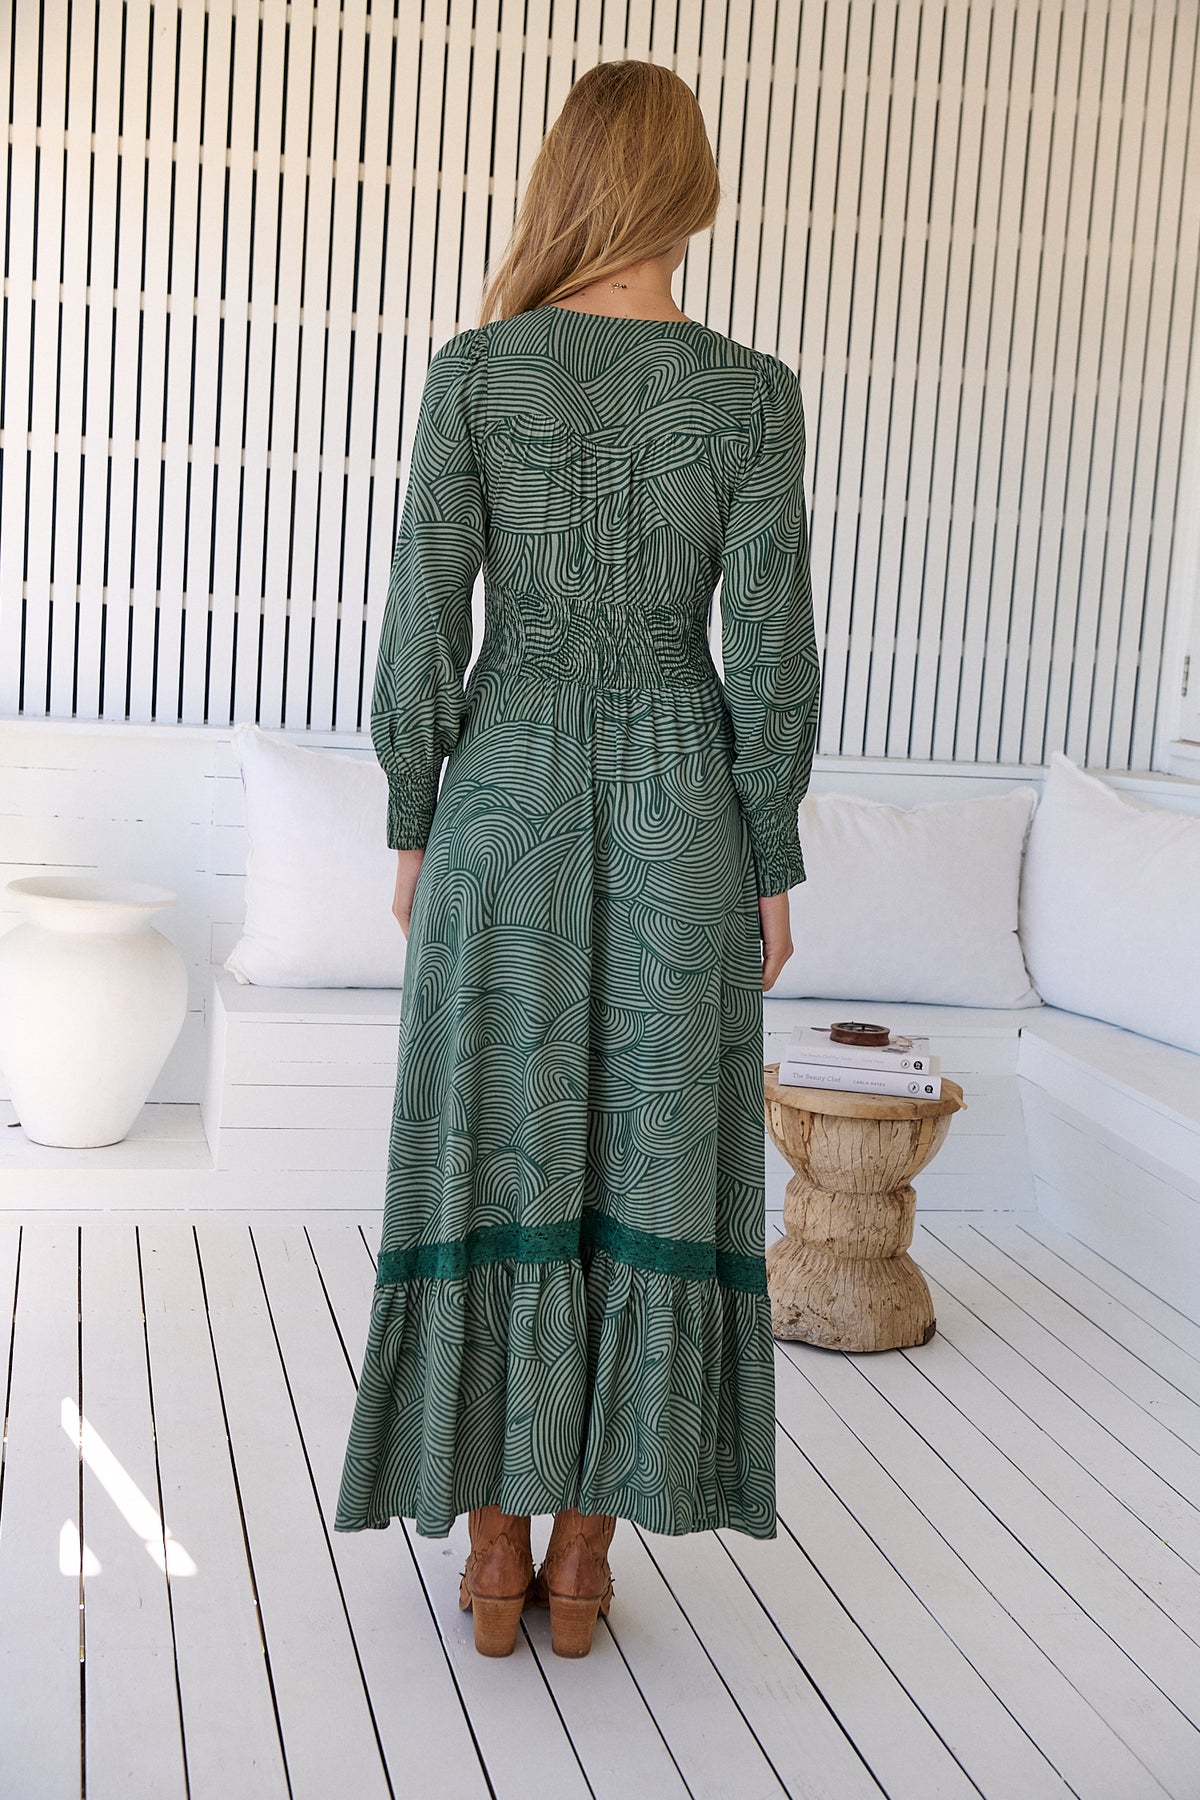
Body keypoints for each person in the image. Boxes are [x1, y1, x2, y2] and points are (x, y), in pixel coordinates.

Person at [334, 57, 821, 1661]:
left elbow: (423, 611)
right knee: (657, 1159)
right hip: (683, 807)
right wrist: (771, 853)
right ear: (693, 188)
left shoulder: (476, 373)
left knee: (492, 1144)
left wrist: (417, 814)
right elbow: (772, 653)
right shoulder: (752, 394)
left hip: (507, 794)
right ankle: (587, 1565)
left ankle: (494, 1558)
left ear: (566, 179)